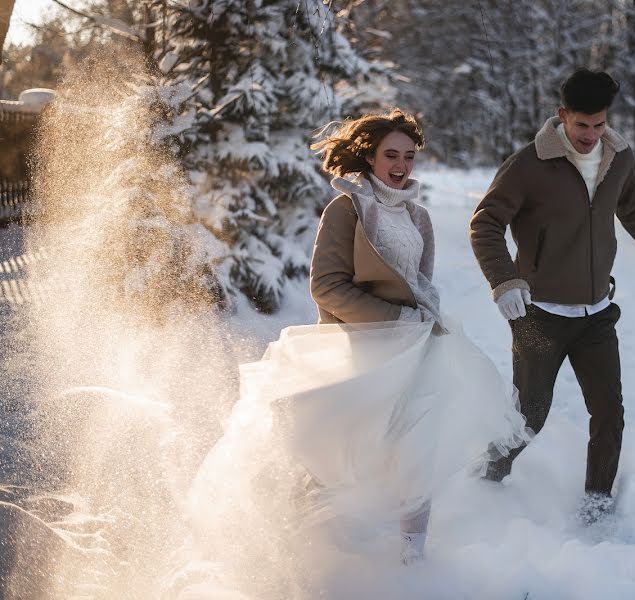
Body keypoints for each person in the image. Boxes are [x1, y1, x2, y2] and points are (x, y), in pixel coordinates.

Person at [191, 109, 529, 570]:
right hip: (360, 349)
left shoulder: (417, 215)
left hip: (417, 350)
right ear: (368, 156)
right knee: (336, 455)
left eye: (409, 156)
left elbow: (419, 284)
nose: (401, 164)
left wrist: (424, 321)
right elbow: (326, 286)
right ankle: (300, 555)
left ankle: (413, 560)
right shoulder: (346, 208)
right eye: (391, 154)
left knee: (418, 447)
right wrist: (394, 318)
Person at [469, 69, 635, 524]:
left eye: (599, 124)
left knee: (610, 413)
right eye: (581, 124)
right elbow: (486, 224)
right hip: (538, 314)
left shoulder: (618, 158)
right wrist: (505, 282)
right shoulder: (528, 164)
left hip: (596, 314)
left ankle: (597, 501)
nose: (590, 135)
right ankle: (484, 478)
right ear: (561, 115)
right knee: (530, 413)